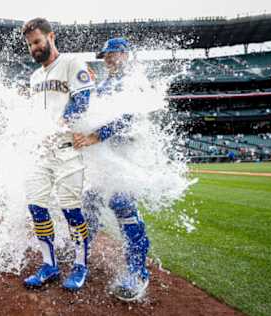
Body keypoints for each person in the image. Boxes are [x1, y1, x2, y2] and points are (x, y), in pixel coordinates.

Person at [73, 38, 150, 301]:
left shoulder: (134, 81)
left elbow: (130, 117)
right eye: (105, 55)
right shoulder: (103, 85)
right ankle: (81, 255)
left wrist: (98, 135)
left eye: (112, 54)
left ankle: (137, 272)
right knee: (89, 202)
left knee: (121, 204)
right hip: (104, 156)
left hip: (127, 155)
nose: (107, 58)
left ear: (125, 54)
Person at [22, 18, 94, 291]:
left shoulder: (71, 63)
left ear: (51, 36)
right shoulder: (34, 77)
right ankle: (49, 264)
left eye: (38, 41)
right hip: (42, 152)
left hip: (67, 149)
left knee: (71, 211)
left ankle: (80, 265)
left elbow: (83, 99)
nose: (34, 48)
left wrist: (61, 123)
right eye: (30, 45)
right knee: (36, 206)